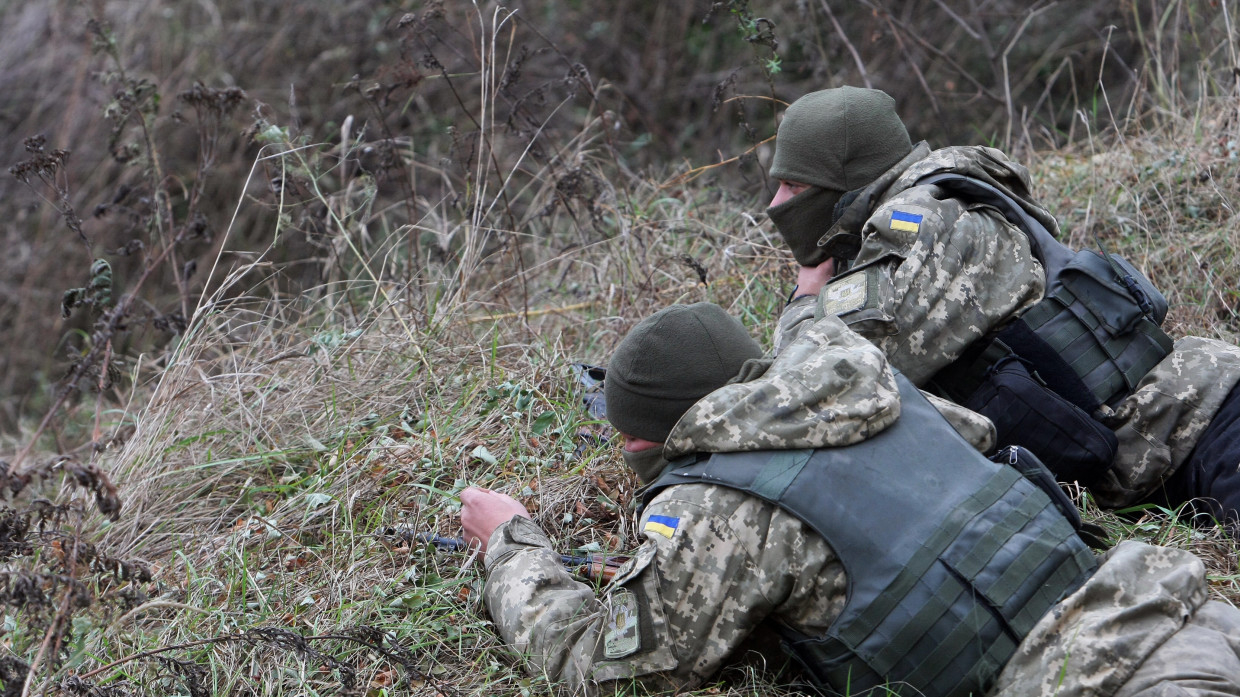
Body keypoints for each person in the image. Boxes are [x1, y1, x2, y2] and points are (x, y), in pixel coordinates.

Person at [461, 302, 1240, 696]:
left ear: (645, 442)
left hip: (1088, 680)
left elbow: (599, 664)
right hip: (1178, 608)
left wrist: (511, 543)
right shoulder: (888, 390)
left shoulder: (715, 508)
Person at [764, 85, 1240, 530]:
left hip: (1202, 424)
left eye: (793, 186)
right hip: (1174, 439)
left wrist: (806, 299)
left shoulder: (918, 226)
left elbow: (820, 382)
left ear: (845, 182)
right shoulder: (950, 199)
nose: (775, 204)